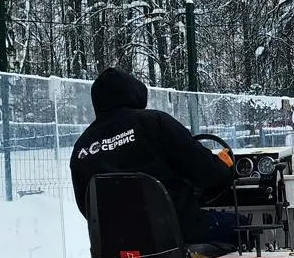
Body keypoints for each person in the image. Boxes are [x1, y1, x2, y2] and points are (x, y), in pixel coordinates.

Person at [69, 65, 236, 246]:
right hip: (178, 232)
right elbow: (204, 170)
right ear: (135, 93)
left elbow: (86, 206)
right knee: (243, 226)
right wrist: (221, 167)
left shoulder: (82, 148)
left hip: (114, 245)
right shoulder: (155, 123)